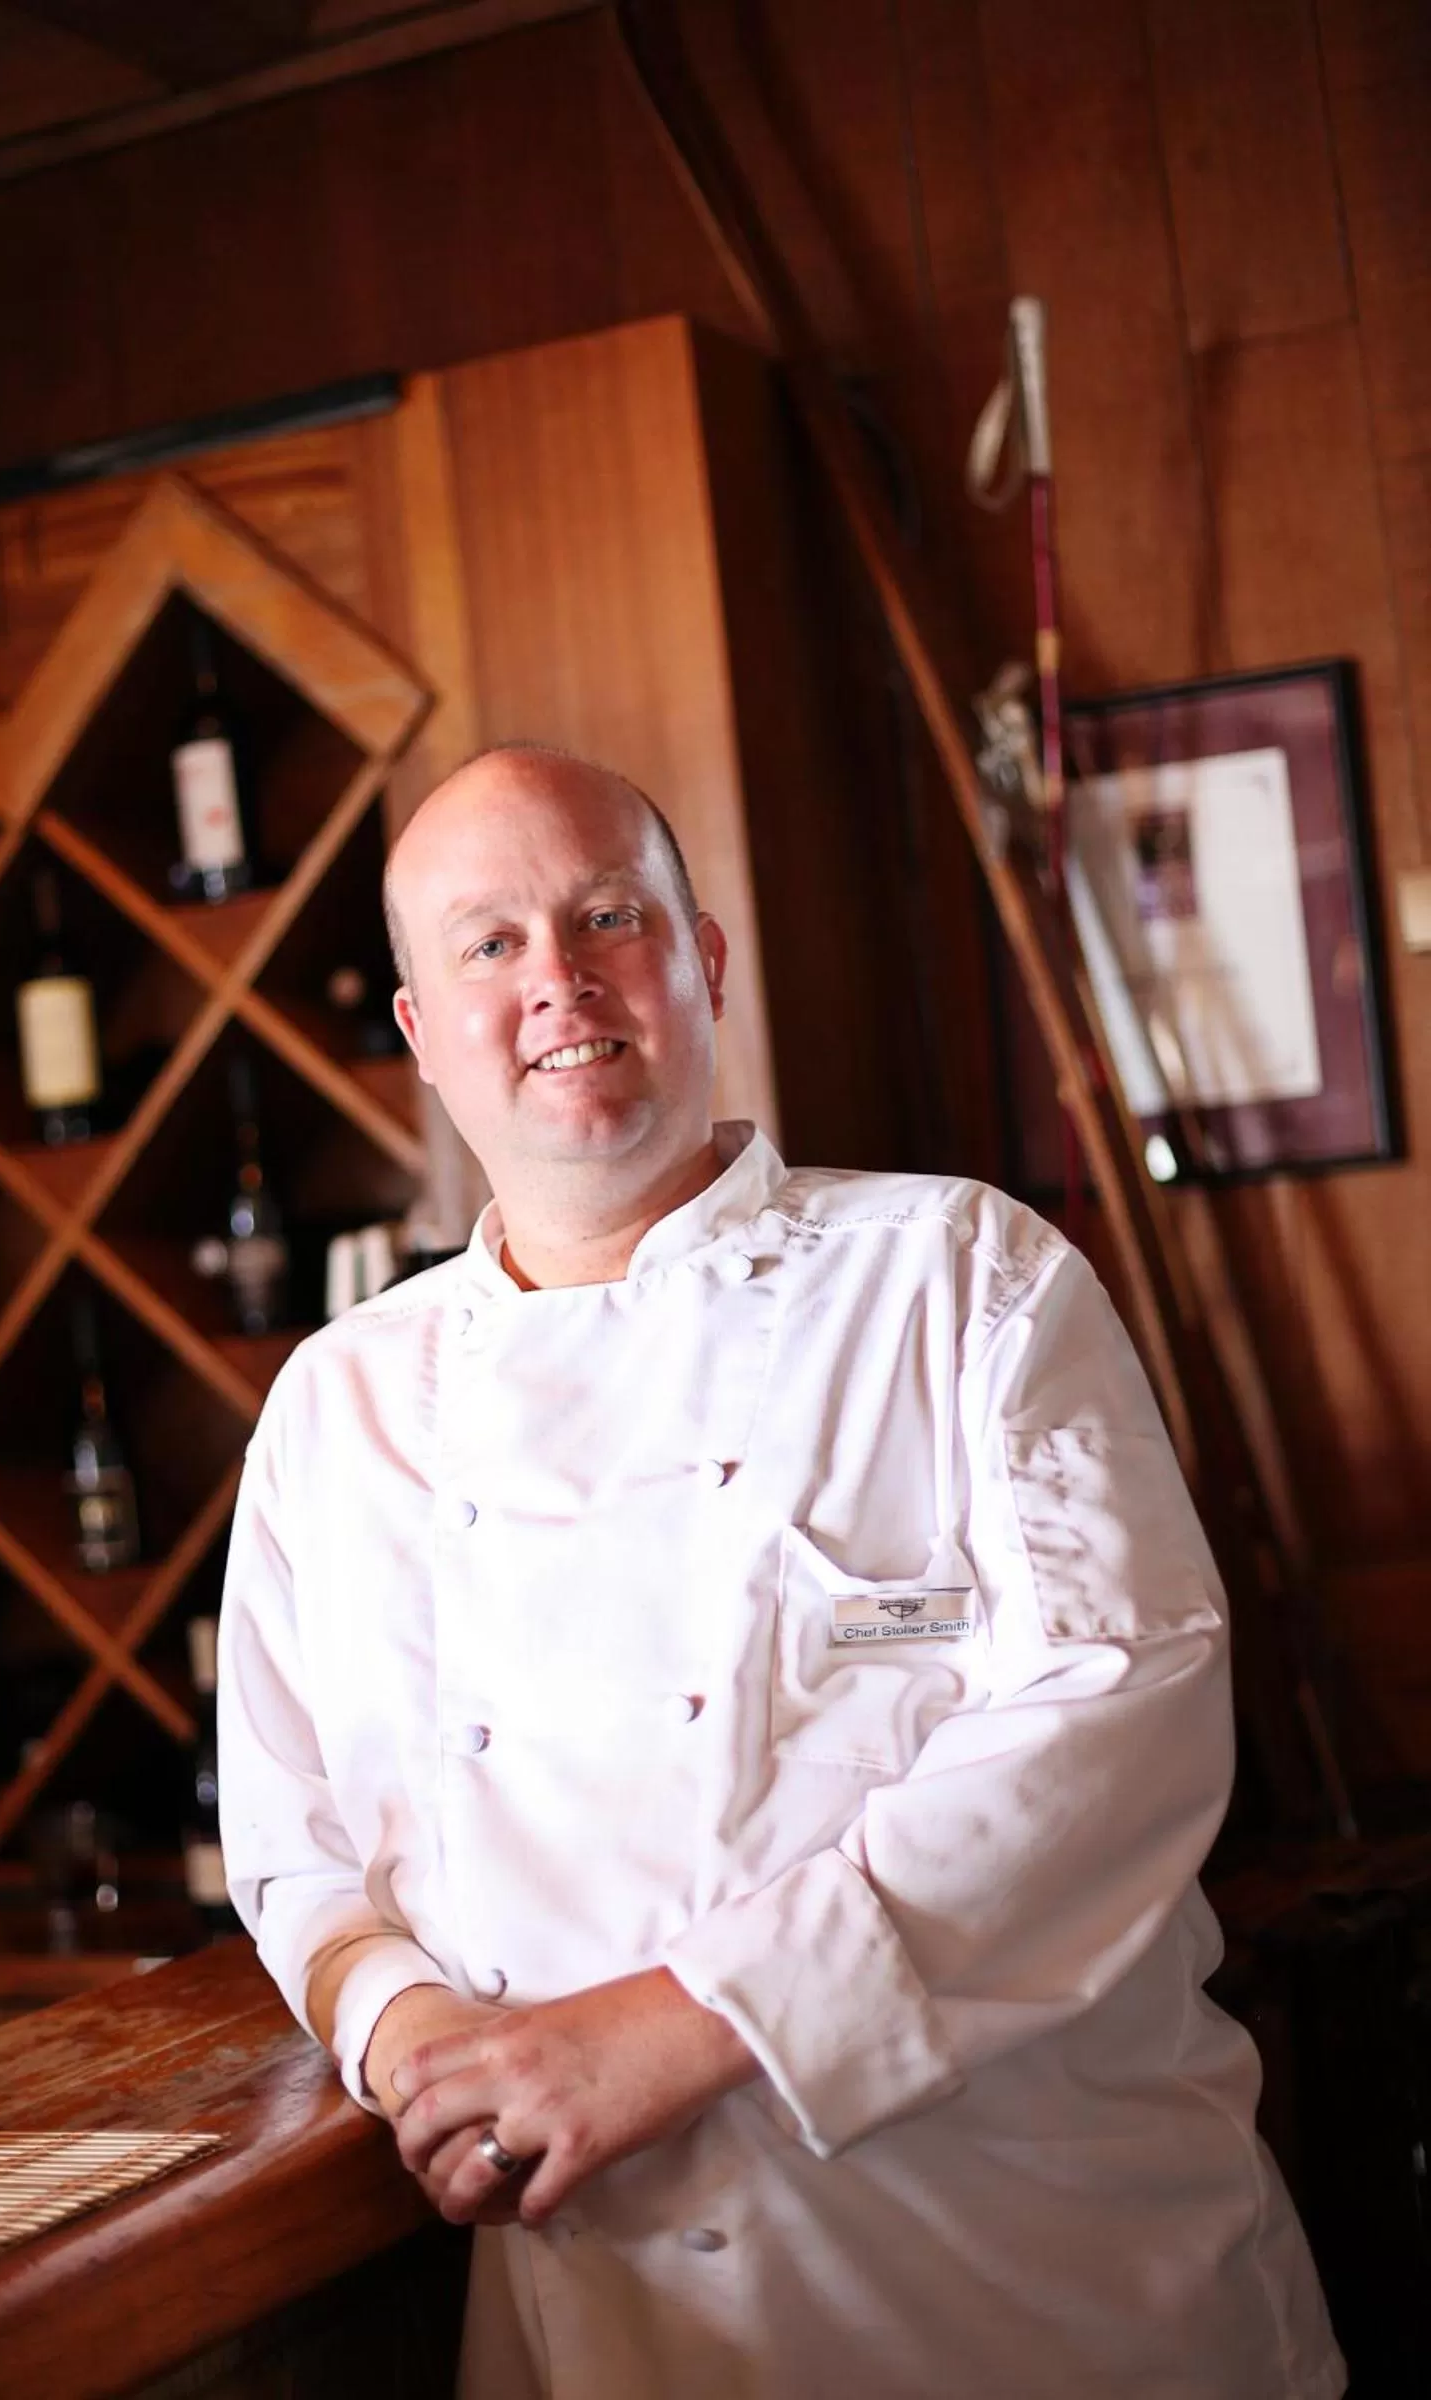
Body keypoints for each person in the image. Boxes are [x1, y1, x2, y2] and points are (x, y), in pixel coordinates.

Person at [217, 743, 1344, 2400]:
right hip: (611, 2321)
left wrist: (686, 2025)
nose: (559, 982)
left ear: (704, 960)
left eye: (609, 916)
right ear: (417, 1032)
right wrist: (414, 2039)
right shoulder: (340, 1406)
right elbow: (289, 1839)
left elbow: (1120, 1717)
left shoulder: (960, 1279)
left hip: (1048, 2294)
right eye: (490, 944)